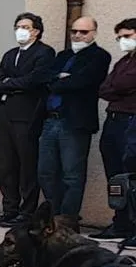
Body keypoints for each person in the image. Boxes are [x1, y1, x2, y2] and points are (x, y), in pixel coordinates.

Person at [37, 16, 112, 222]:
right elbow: (44, 77)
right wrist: (59, 79)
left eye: (83, 32)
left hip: (75, 122)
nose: (77, 35)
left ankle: (67, 219)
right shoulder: (63, 55)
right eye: (74, 31)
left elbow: (82, 81)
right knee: (45, 172)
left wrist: (60, 81)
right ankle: (53, 216)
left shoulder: (99, 56)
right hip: (51, 120)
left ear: (94, 33)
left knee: (72, 174)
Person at [0, 12, 57, 226]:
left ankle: (27, 212)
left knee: (27, 165)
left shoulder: (44, 53)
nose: (20, 31)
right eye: (18, 27)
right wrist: (12, 84)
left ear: (36, 31)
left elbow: (34, 80)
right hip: (5, 113)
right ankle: (9, 208)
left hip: (27, 115)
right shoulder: (10, 54)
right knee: (6, 164)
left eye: (25, 27)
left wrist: (10, 83)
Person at [99, 18, 136, 241]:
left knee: (130, 174)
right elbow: (105, 88)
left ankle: (133, 226)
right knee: (114, 175)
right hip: (114, 120)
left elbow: (121, 84)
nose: (123, 40)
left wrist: (118, 88)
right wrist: (119, 89)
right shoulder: (123, 62)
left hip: (131, 121)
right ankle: (120, 222)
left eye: (127, 36)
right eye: (119, 37)